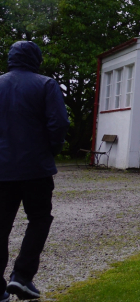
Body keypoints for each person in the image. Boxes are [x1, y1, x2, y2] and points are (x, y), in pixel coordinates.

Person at [0, 41, 69, 301]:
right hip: (36, 168)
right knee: (39, 219)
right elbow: (59, 122)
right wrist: (51, 150)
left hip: (2, 169)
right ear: (36, 59)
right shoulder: (45, 84)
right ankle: (22, 276)